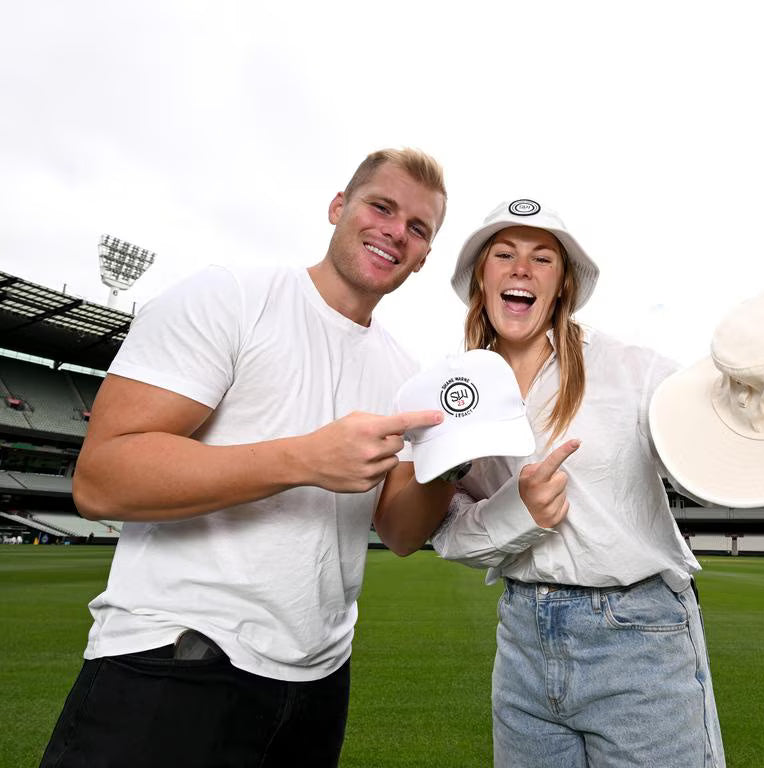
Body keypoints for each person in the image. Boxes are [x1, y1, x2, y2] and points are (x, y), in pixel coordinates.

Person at [39, 148, 456, 768]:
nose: (397, 231)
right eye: (381, 206)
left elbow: (399, 533)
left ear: (423, 257)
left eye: (418, 228)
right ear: (339, 207)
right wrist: (304, 460)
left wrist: (457, 455)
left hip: (317, 682)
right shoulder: (230, 297)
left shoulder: (405, 373)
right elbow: (102, 480)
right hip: (175, 661)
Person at [431, 199, 726, 767]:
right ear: (481, 277)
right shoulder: (454, 394)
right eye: (504, 254)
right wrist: (517, 512)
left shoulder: (636, 370)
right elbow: (444, 532)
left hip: (637, 636)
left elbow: (712, 467)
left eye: (542, 258)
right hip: (521, 640)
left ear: (562, 284)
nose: (522, 269)